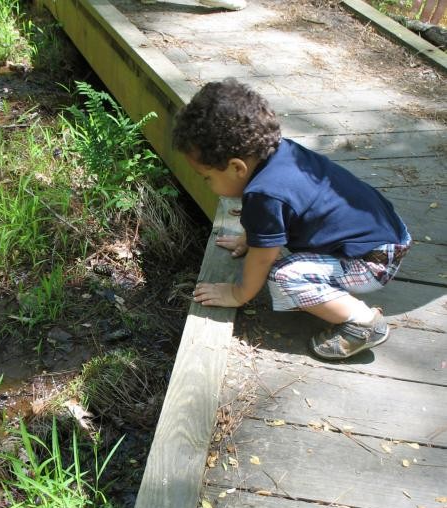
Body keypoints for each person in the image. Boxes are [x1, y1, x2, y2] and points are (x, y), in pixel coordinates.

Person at [172, 79, 411, 360]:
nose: (208, 185)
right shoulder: (281, 152)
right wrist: (252, 236)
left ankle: (362, 323)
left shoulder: (264, 194)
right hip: (387, 233)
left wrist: (239, 293)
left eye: (208, 177)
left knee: (284, 276)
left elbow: (264, 256)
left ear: (237, 167)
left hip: (372, 260)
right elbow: (281, 211)